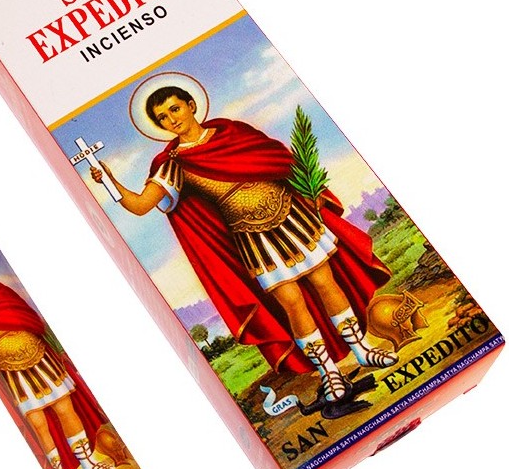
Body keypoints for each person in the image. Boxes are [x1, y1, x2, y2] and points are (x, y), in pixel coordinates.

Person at [91, 85, 396, 403]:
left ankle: (362, 350)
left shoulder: (231, 132)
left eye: (174, 109)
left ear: (191, 104)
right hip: (253, 239)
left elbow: (277, 159)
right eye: (163, 117)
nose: (171, 119)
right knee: (292, 302)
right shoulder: (173, 164)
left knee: (325, 282)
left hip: (292, 216)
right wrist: (110, 182)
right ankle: (329, 373)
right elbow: (142, 205)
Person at [0, 252, 115, 469]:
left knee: (65, 409)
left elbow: (29, 318)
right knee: (38, 424)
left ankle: (88, 464)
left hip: (40, 358)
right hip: (11, 372)